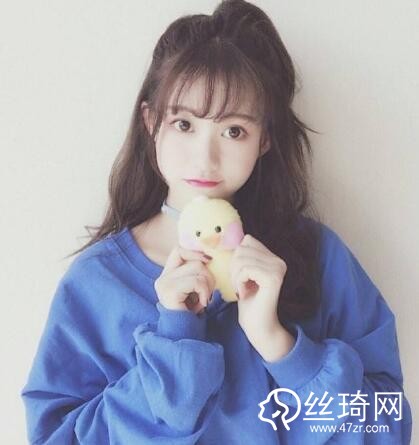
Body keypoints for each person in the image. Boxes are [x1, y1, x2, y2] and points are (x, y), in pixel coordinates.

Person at [21, 0, 412, 443]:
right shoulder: (98, 283)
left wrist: (280, 345)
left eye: (233, 131)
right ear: (151, 122)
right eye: (184, 124)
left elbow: (388, 429)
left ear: (264, 139)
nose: (205, 158)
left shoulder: (318, 257)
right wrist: (175, 342)